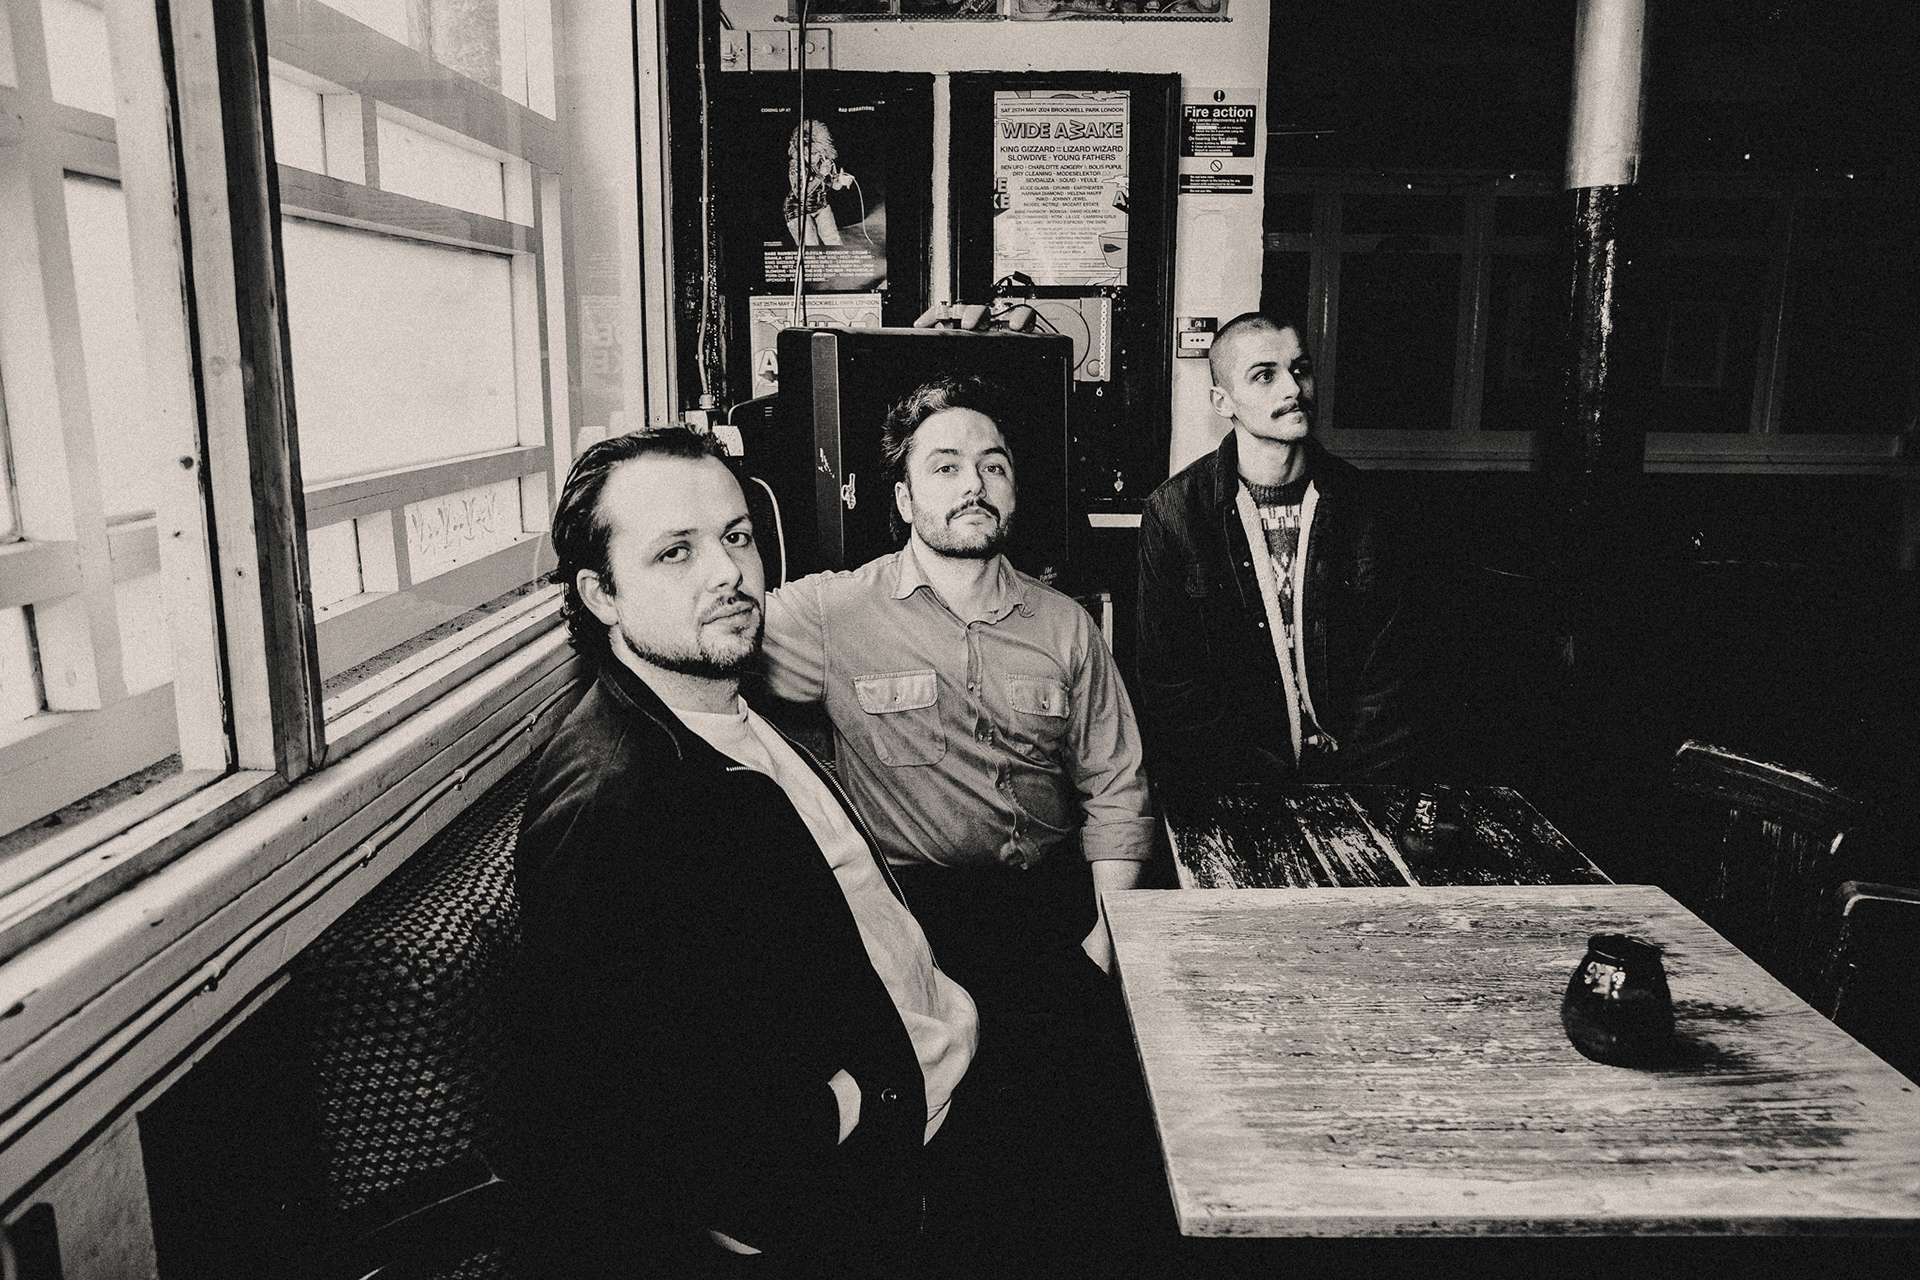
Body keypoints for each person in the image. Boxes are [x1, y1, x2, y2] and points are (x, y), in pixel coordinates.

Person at [510, 428, 978, 1279]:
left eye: (736, 537)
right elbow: (657, 1131)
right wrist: (859, 1101)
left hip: (934, 1073)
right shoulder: (616, 808)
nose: (727, 572)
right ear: (602, 594)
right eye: (675, 553)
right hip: (867, 1185)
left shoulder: (712, 705)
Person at [758, 376, 1165, 1276]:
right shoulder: (829, 614)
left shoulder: (1066, 627)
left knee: (1090, 1163)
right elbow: (713, 641)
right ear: (903, 498)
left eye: (993, 465)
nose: (973, 483)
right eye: (944, 466)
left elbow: (1116, 786)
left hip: (1055, 919)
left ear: (1014, 492)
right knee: (954, 1178)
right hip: (916, 928)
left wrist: (1105, 945)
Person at [1136, 311, 1418, 791]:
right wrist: (1248, 790)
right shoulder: (1175, 513)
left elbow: (1393, 676)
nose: (1293, 388)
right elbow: (1172, 686)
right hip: (1235, 785)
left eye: (1300, 368)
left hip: (1358, 780)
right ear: (1222, 401)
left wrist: (1357, 792)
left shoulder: (1367, 505)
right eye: (1264, 375)